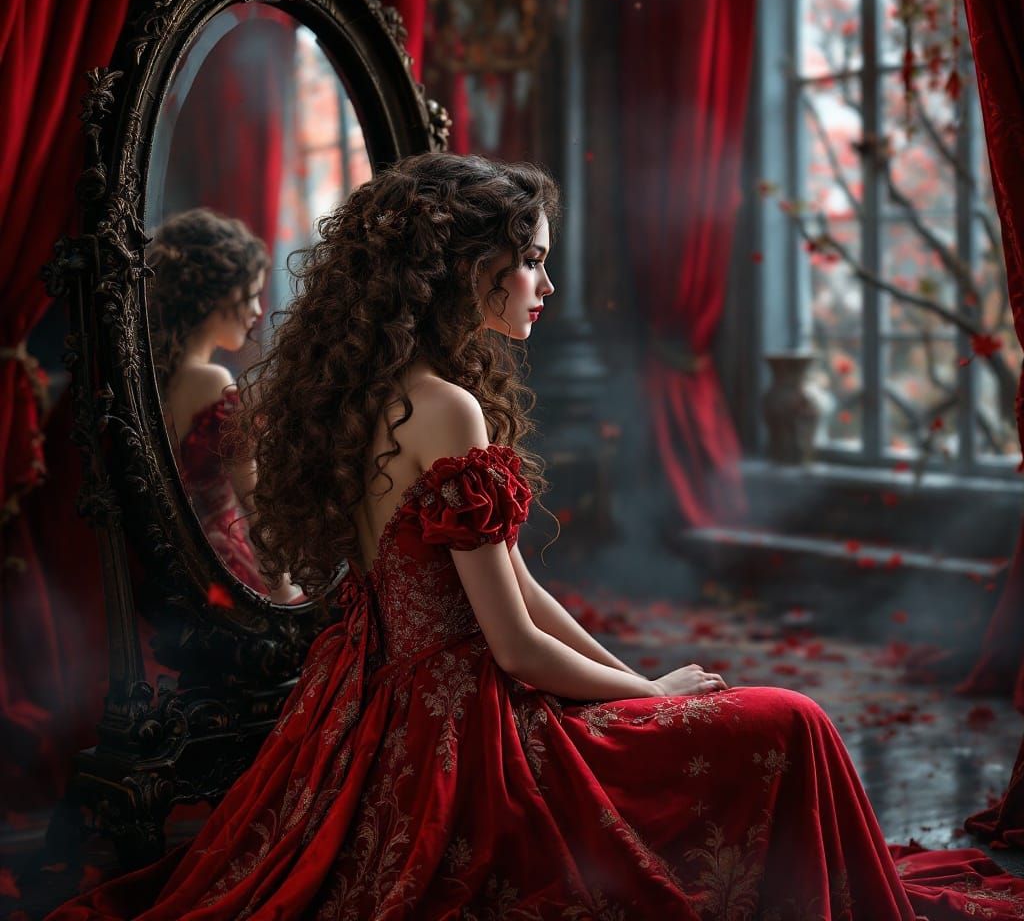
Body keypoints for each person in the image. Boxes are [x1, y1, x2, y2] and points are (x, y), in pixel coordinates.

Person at [47, 155, 1024, 918]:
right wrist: (647, 695)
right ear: (475, 270)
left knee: (741, 714)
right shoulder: (445, 409)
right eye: (533, 258)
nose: (546, 281)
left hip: (387, 708)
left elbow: (512, 589)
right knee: (798, 720)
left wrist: (643, 688)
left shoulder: (380, 392)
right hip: (467, 737)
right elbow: (509, 642)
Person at [147, 208, 304, 605]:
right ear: (214, 297)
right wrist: (285, 593)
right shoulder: (211, 380)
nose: (255, 311)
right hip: (221, 569)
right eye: (250, 295)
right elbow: (253, 504)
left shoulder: (149, 378)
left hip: (165, 577)